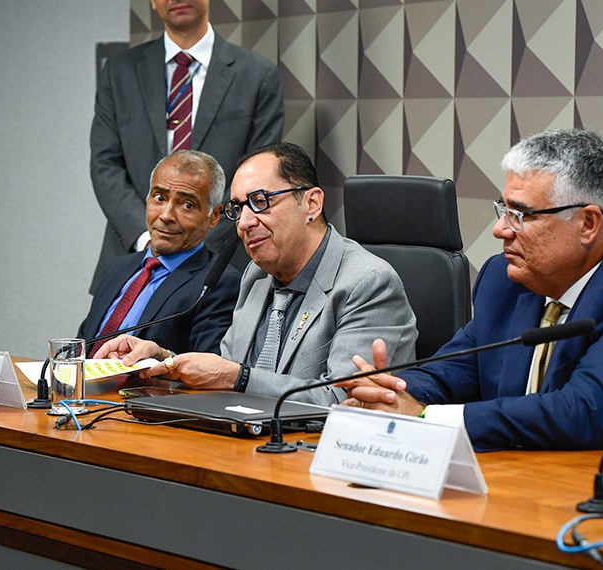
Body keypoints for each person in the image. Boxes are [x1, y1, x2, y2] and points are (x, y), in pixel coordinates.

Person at [339, 128, 603, 465]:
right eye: (503, 209)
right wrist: (390, 394)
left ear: (588, 223)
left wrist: (425, 417)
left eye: (520, 215)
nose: (500, 229)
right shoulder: (505, 280)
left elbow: (583, 411)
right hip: (531, 483)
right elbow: (455, 370)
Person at [95, 142, 418, 405]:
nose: (245, 223)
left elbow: (346, 400)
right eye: (238, 208)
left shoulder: (368, 282)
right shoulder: (256, 276)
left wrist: (238, 378)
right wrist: (164, 362)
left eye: (260, 201)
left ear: (312, 204)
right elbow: (222, 371)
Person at [89, 0, 284, 291]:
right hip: (133, 258)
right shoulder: (119, 71)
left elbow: (258, 176)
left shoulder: (257, 75)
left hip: (220, 267)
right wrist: (150, 237)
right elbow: (105, 166)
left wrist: (196, 246)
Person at [80, 150, 240, 356]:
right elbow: (83, 343)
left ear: (214, 216)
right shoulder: (118, 267)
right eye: (159, 198)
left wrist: (162, 358)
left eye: (187, 205)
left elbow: (209, 368)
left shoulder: (218, 284)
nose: (166, 215)